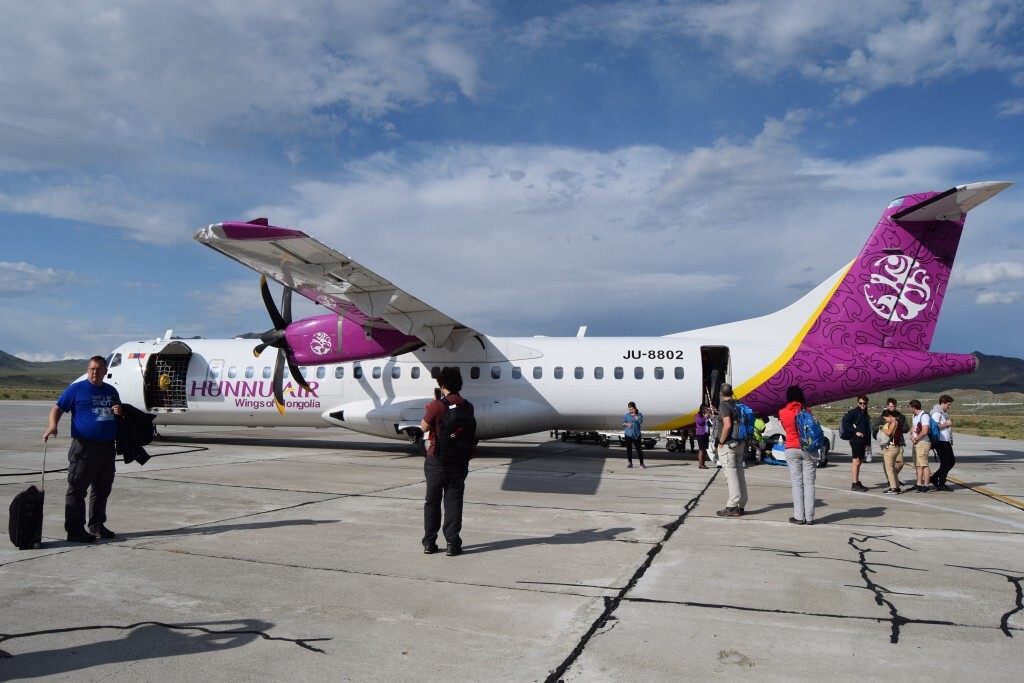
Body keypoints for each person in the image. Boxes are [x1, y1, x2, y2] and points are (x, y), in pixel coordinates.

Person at [42, 356, 123, 543]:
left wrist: (120, 411)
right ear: (88, 370)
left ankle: (96, 525)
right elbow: (58, 408)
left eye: (99, 369)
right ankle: (75, 530)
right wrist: (53, 425)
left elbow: (117, 411)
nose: (95, 373)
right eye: (91, 369)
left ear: (105, 371)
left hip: (107, 448)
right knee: (77, 489)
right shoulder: (76, 389)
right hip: (84, 447)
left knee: (102, 489)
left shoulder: (111, 391)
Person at [420, 367, 474, 556]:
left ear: (442, 386)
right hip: (459, 462)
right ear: (459, 385)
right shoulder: (468, 406)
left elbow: (424, 426)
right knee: (453, 502)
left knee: (432, 502)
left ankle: (429, 542)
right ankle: (453, 544)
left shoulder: (437, 406)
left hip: (436, 461)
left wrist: (432, 407)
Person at [779, 386, 816, 525]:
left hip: (791, 448)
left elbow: (786, 429)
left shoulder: (782, 412)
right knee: (809, 483)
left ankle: (799, 516)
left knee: (797, 483)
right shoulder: (806, 410)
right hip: (807, 449)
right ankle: (810, 517)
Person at [714, 384, 748, 517]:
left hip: (729, 444)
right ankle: (742, 504)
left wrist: (721, 442)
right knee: (740, 473)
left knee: (731, 474)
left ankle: (732, 505)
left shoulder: (724, 405)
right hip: (740, 443)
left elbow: (727, 425)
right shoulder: (738, 404)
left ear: (721, 394)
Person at [840, 395, 872, 491]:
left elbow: (868, 430)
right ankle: (854, 483)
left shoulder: (866, 415)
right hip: (855, 440)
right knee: (856, 461)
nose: (862, 405)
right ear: (858, 403)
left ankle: (857, 482)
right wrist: (855, 431)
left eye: (864, 403)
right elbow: (845, 422)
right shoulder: (854, 412)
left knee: (859, 461)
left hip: (862, 441)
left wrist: (867, 443)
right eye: (861, 403)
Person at [931, 395, 956, 491]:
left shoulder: (942, 413)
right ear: (942, 403)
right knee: (946, 463)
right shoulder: (937, 413)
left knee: (951, 461)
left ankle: (935, 478)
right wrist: (947, 424)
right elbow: (935, 427)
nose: (949, 407)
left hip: (945, 440)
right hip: (940, 441)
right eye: (948, 404)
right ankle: (941, 483)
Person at [877, 410, 905, 494]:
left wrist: (881, 427)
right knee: (892, 468)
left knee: (889, 469)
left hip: (891, 448)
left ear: (889, 416)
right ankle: (896, 486)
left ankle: (893, 488)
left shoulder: (894, 422)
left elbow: (889, 432)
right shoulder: (899, 421)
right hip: (896, 447)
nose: (886, 421)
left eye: (886, 419)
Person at [908, 399, 932, 492]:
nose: (910, 409)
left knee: (924, 464)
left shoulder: (924, 416)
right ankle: (918, 483)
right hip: (916, 442)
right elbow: (913, 427)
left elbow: (925, 431)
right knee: (918, 464)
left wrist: (916, 438)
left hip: (923, 442)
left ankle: (926, 485)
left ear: (913, 407)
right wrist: (911, 435)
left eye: (910, 407)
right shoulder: (914, 416)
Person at [622, 402, 645, 469]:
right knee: (629, 449)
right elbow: (622, 423)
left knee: (639, 449)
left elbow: (640, 421)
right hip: (628, 434)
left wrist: (635, 415)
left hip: (636, 434)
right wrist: (627, 424)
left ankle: (641, 463)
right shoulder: (627, 415)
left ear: (634, 407)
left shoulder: (639, 414)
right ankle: (630, 463)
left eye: (631, 408)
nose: (630, 409)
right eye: (629, 408)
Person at [694, 404, 710, 469]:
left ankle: (703, 463)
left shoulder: (706, 416)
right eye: (706, 409)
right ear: (702, 409)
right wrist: (705, 417)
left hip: (706, 433)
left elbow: (709, 424)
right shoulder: (697, 415)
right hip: (700, 434)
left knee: (705, 449)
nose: (707, 410)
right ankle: (700, 464)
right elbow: (699, 422)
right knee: (701, 449)